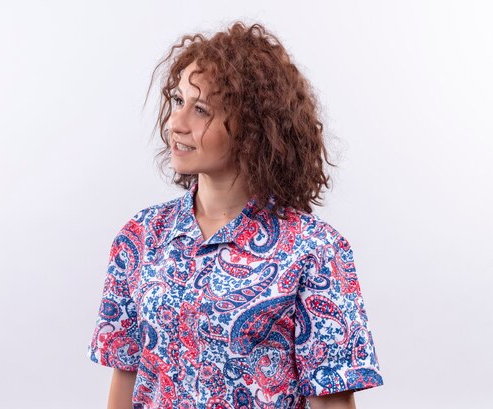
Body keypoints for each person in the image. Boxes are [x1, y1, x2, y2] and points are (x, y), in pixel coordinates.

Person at [87, 21, 384, 409]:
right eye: (178, 102)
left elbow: (332, 401)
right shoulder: (141, 236)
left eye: (201, 110)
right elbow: (125, 374)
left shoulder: (316, 251)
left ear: (252, 128)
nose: (176, 123)